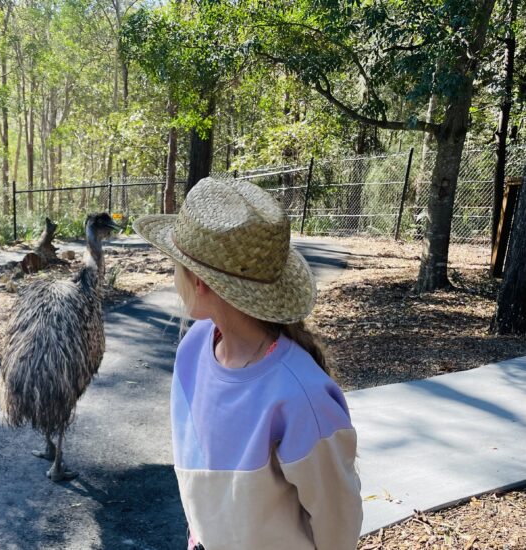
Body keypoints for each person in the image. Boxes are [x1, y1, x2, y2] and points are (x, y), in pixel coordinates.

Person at [133, 177, 363, 550]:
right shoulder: (193, 349)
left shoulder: (301, 396)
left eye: (175, 265)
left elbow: (337, 527)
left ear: (201, 282)